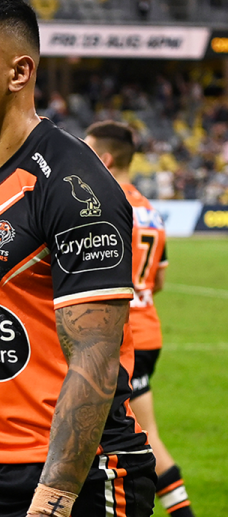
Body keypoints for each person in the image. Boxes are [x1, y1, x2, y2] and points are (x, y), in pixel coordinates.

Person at [0, 0, 154, 516]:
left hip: (72, 473)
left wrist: (53, 500)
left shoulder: (75, 185)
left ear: (19, 73)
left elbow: (95, 361)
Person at [84, 121, 195, 517]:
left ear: (105, 158)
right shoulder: (150, 210)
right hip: (150, 330)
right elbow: (158, 278)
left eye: (87, 149)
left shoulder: (104, 203)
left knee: (132, 439)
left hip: (120, 335)